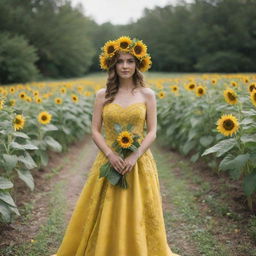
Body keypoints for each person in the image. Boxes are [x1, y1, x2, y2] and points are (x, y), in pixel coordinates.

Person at [51, 36, 180, 256]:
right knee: (106, 207)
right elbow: (94, 130)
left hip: (138, 162)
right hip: (109, 160)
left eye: (130, 61)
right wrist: (111, 155)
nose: (125, 66)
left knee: (138, 209)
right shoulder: (102, 95)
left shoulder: (147, 94)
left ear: (137, 64)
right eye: (120, 61)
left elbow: (152, 131)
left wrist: (134, 156)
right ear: (113, 65)